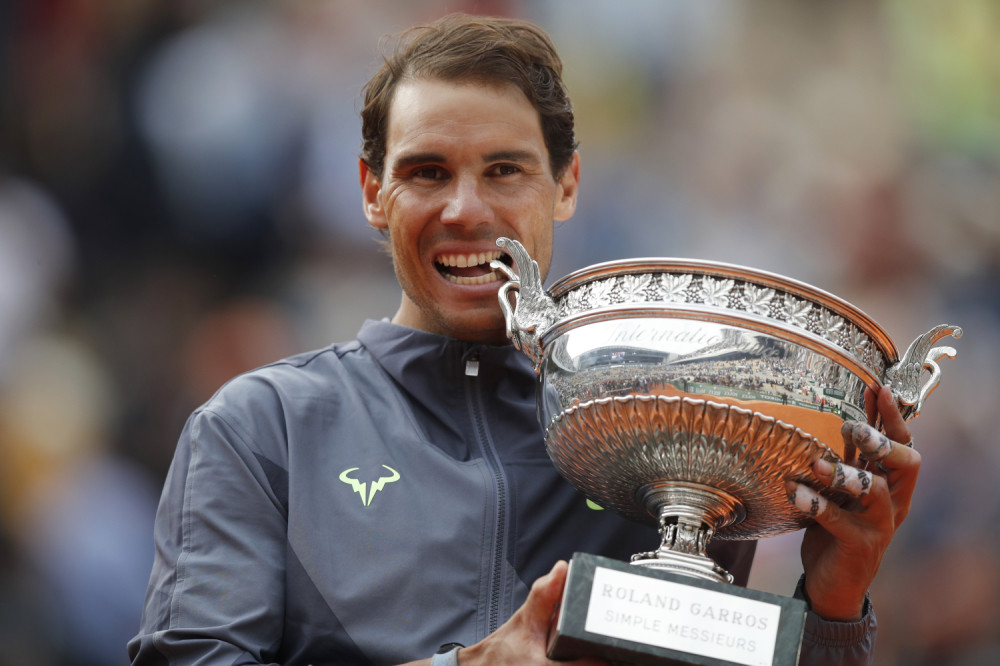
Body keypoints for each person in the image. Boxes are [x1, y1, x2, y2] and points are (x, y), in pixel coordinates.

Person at [129, 13, 920, 666]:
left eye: (505, 170)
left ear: (566, 185)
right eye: (427, 172)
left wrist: (834, 605)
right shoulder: (261, 430)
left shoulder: (663, 432)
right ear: (372, 193)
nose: (466, 209)